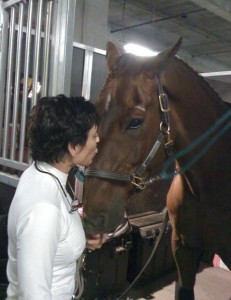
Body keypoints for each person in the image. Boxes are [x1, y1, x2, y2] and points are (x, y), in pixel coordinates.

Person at [6, 95, 107, 300]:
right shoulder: (44, 210)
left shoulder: (39, 173)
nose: (98, 140)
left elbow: (53, 237)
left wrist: (77, 238)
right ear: (73, 146)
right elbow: (33, 296)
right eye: (94, 135)